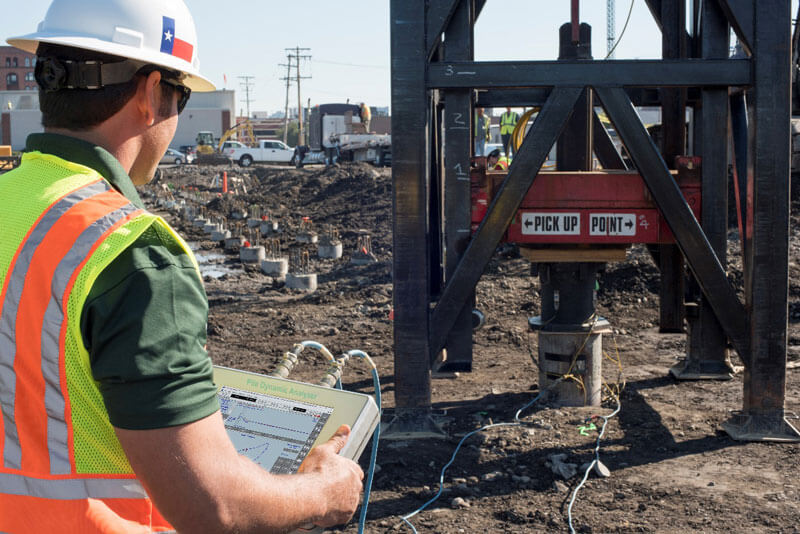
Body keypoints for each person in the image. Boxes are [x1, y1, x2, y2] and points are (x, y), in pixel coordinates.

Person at [0, 1, 363, 532]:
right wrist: (322, 492)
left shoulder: (13, 201)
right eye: (181, 96)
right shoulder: (131, 253)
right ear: (150, 93)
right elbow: (215, 508)